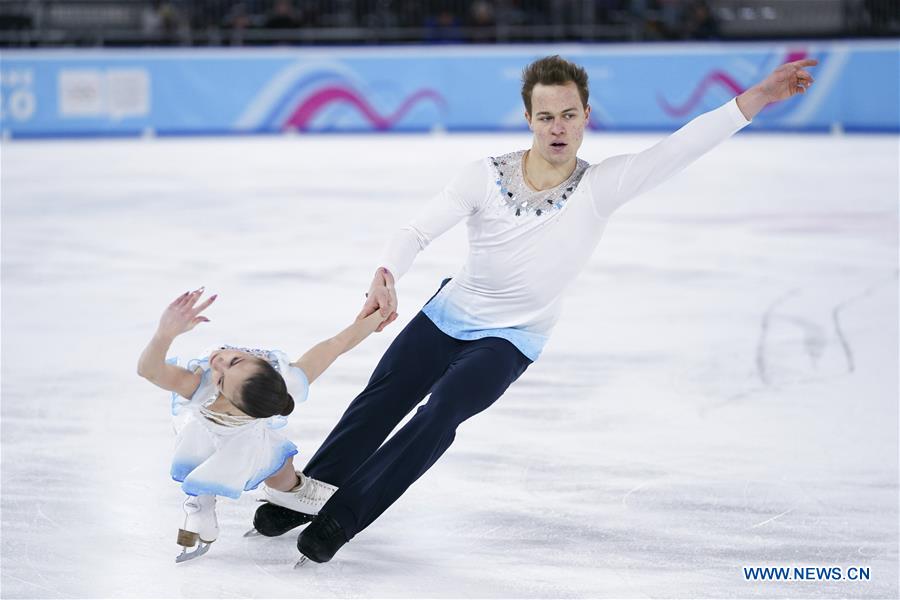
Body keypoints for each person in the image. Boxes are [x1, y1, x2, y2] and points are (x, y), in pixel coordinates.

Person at [255, 54, 817, 564]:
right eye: (547, 117)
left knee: (441, 410)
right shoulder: (484, 175)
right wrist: (386, 275)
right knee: (380, 400)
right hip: (449, 314)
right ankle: (311, 490)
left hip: (513, 339)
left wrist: (759, 97)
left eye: (569, 115)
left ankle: (341, 518)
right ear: (529, 117)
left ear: (585, 115)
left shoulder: (602, 186)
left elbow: (679, 148)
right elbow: (416, 230)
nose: (558, 128)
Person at [136, 287, 386, 562]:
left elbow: (335, 345)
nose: (217, 362)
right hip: (206, 436)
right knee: (204, 475)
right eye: (226, 370)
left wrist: (375, 318)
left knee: (278, 468)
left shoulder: (274, 384)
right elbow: (149, 370)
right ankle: (198, 508)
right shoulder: (207, 387)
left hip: (245, 437)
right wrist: (164, 333)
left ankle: (289, 490)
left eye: (229, 366)